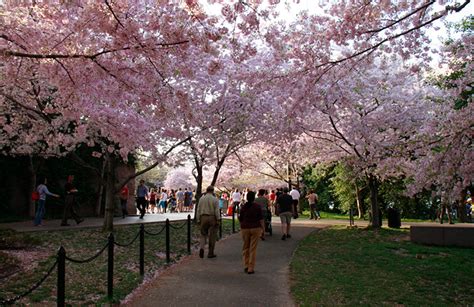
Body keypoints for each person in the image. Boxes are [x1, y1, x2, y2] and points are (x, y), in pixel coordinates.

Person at [238, 191, 264, 274]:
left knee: (245, 247)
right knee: (253, 248)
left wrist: (242, 225)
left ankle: (246, 265)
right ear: (254, 198)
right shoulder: (257, 207)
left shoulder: (243, 207)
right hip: (255, 228)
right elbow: (261, 219)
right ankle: (251, 267)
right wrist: (263, 228)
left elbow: (240, 218)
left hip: (245, 228)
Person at [196, 186, 221, 259]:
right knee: (212, 236)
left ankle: (202, 247)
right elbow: (217, 210)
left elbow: (198, 209)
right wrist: (218, 219)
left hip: (203, 217)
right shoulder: (215, 199)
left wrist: (198, 219)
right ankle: (210, 253)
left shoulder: (201, 199)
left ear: (206, 191)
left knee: (203, 234)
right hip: (212, 217)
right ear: (212, 191)